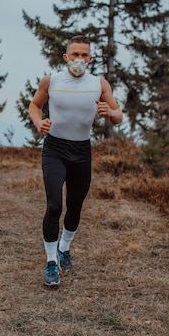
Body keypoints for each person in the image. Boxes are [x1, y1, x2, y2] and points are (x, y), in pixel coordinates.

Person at [28, 35, 123, 286]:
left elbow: (118, 116)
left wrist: (109, 112)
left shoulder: (100, 85)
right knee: (54, 206)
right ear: (66, 57)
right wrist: (40, 124)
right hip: (55, 149)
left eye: (84, 55)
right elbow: (35, 106)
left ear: (90, 59)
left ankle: (64, 247)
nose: (79, 59)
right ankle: (51, 262)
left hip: (81, 151)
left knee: (75, 205)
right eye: (75, 54)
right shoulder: (51, 81)